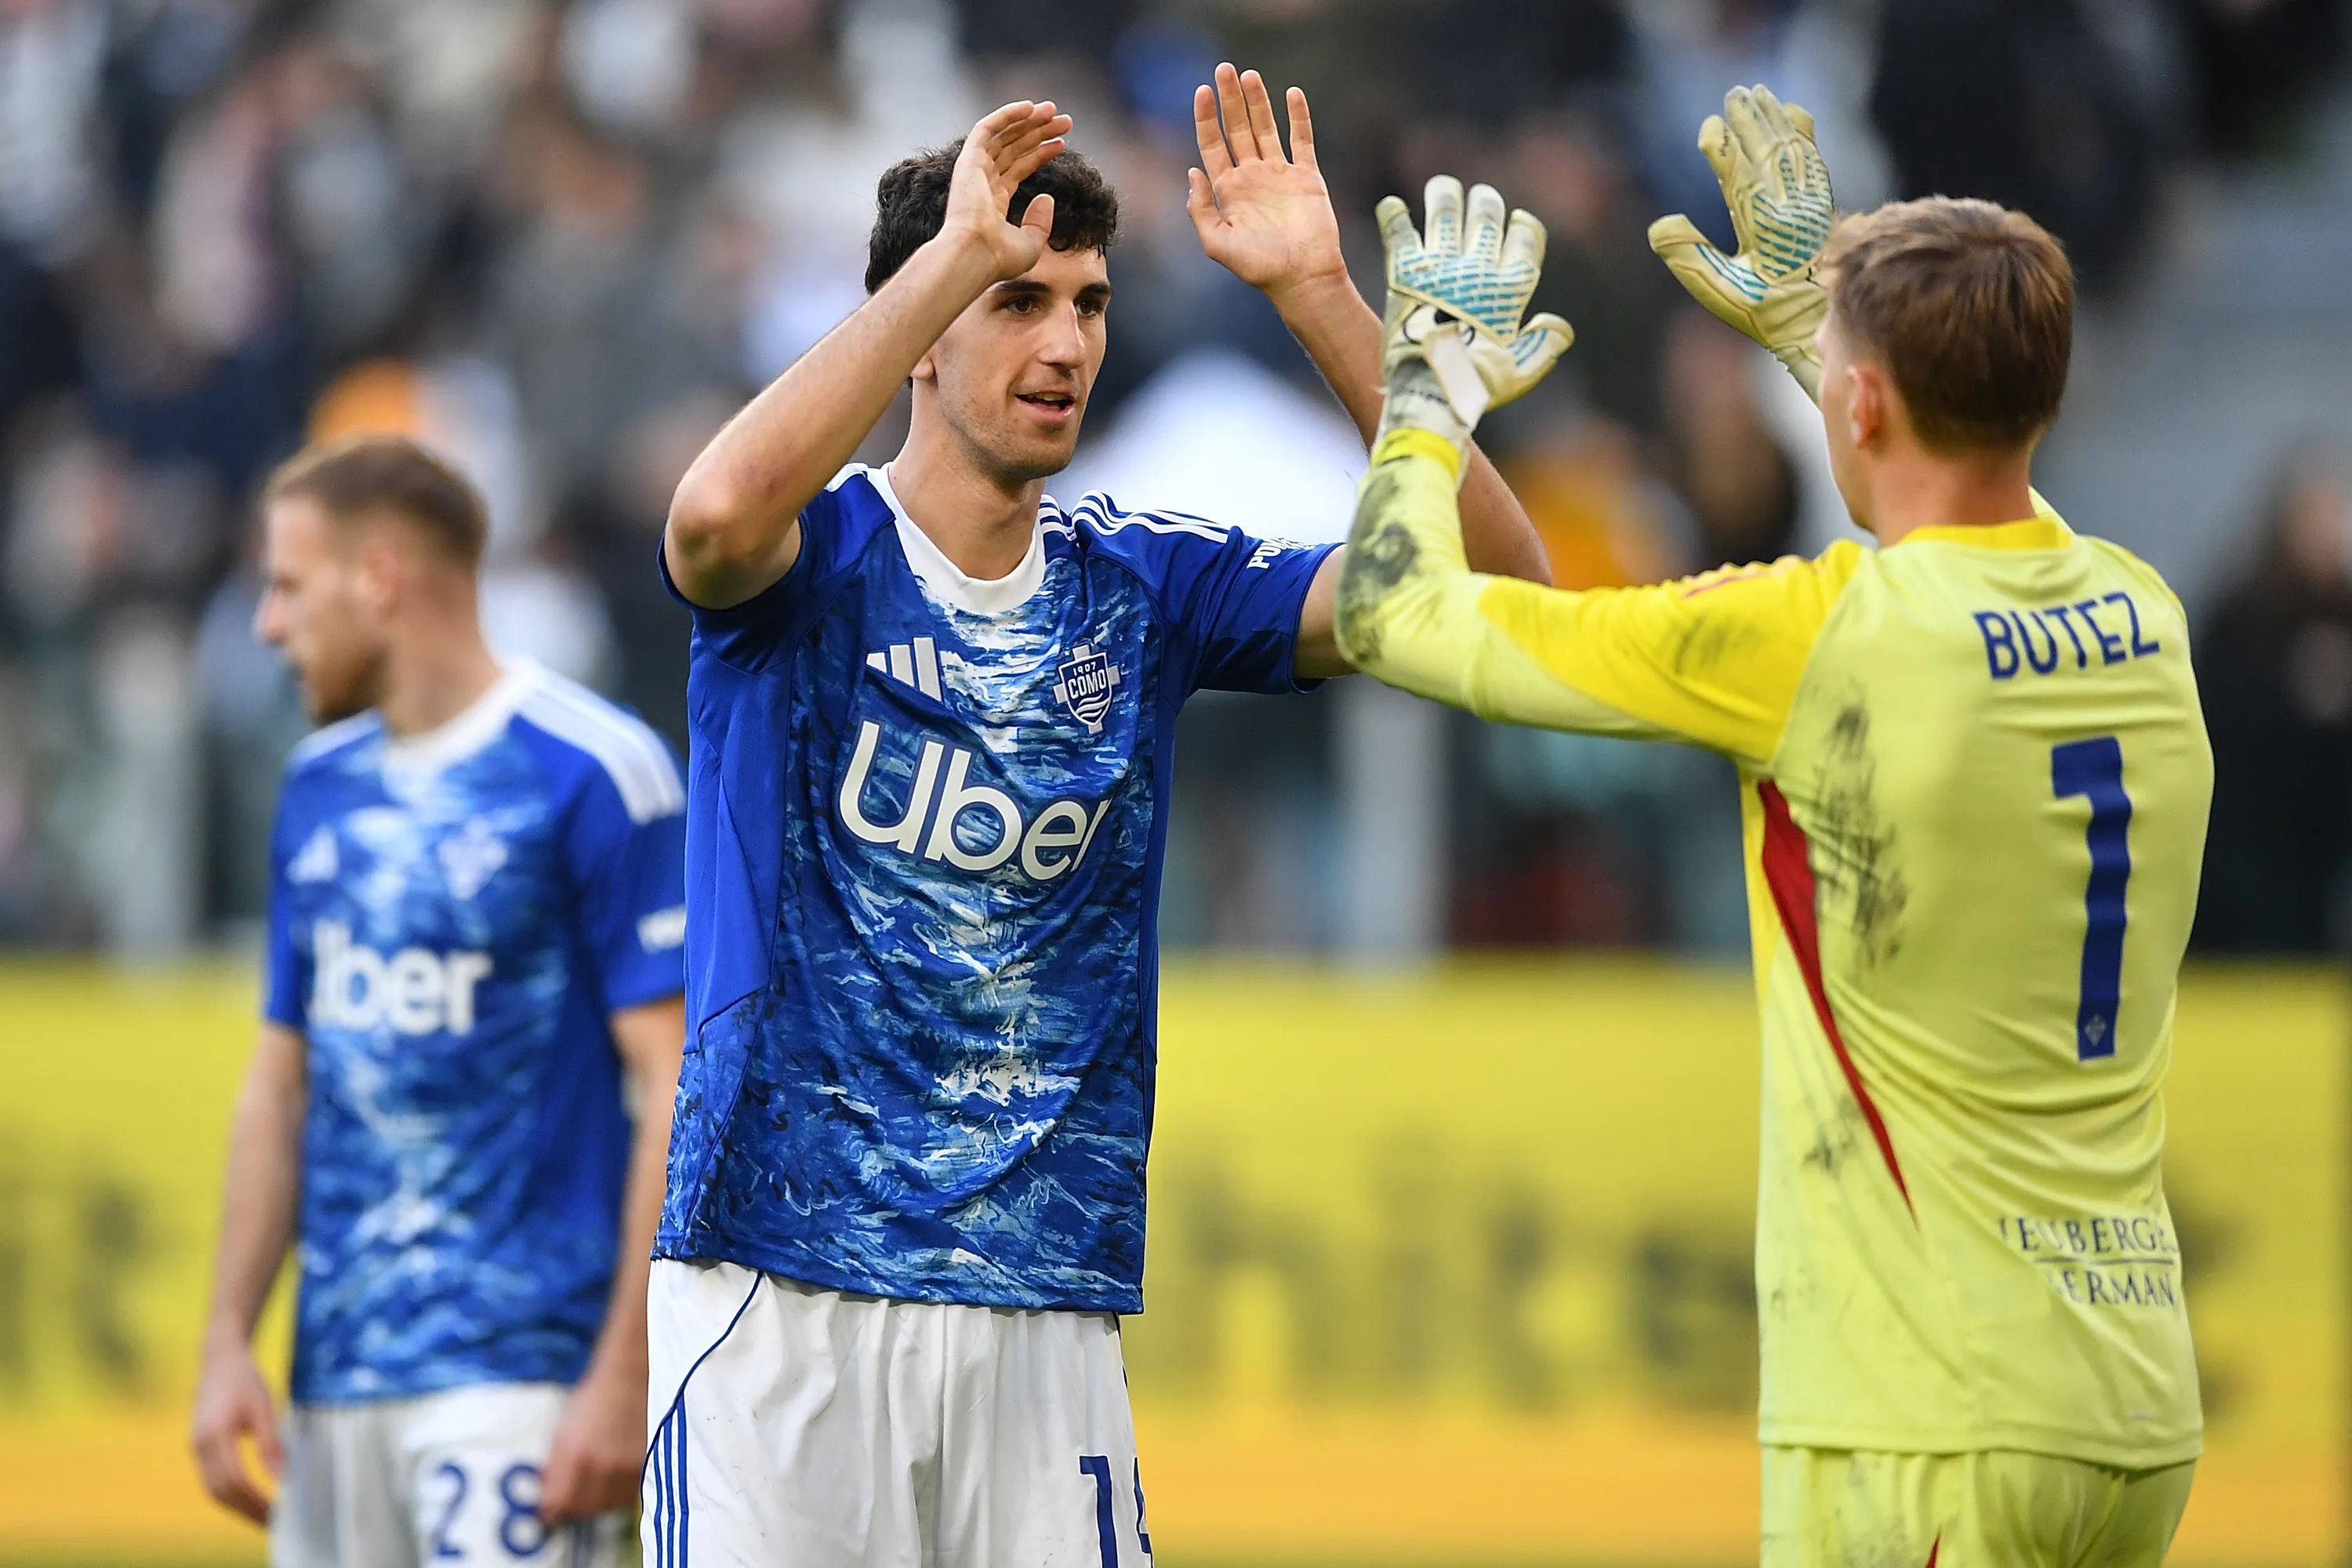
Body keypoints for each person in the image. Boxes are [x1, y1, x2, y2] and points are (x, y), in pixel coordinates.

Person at [642, 70, 1559, 1565]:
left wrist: (1336, 306)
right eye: (1018, 301)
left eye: (1086, 302)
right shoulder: (812, 556)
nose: (1065, 342)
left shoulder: (1144, 585)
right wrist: (952, 257)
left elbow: (1509, 607)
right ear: (924, 331)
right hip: (779, 1284)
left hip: (1041, 1303)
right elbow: (706, 518)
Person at [1337, 89, 2206, 1566]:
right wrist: (1841, 339)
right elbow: (1961, 510)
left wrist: (1425, 389)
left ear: (1863, 406)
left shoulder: (1812, 637)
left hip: (1925, 1411)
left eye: (1845, 378)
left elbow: (1392, 614)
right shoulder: (2144, 612)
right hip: (2129, 1402)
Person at [188, 434, 689, 1567]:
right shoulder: (318, 789)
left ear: (378, 579)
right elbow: (282, 1084)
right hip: (334, 1387)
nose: (269, 625)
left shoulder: (593, 771)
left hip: (521, 1376)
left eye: (287, 585)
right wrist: (228, 1342)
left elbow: (673, 1087)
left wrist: (627, 1372)